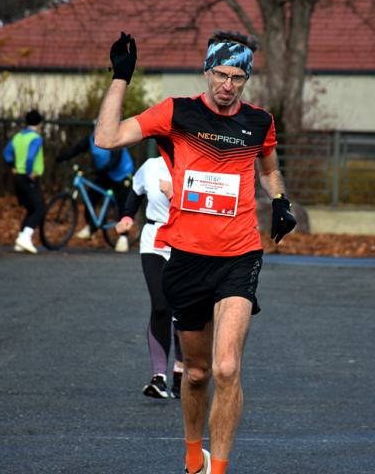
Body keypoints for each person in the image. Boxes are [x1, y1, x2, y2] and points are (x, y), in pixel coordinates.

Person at [96, 30, 296, 474]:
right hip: (186, 257)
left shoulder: (259, 121)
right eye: (220, 75)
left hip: (240, 255)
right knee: (198, 373)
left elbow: (269, 165)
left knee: (227, 368)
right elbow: (107, 138)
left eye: (237, 77)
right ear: (206, 71)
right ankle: (192, 458)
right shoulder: (177, 113)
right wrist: (121, 77)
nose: (227, 85)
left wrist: (279, 200)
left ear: (247, 78)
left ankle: (218, 470)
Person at [116, 157, 184, 399]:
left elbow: (204, 206)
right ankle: (159, 377)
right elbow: (136, 191)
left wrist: (174, 194)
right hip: (154, 240)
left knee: (182, 312)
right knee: (160, 307)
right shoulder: (151, 165)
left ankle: (180, 370)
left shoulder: (199, 163)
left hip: (186, 244)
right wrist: (127, 216)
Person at [55, 121, 134, 252]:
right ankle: (91, 226)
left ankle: (124, 238)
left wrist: (101, 170)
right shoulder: (91, 139)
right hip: (105, 173)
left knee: (123, 204)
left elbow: (115, 161)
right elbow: (77, 148)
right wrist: (62, 157)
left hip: (122, 174)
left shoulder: (115, 140)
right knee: (90, 198)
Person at [3, 110, 47, 253]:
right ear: (40, 123)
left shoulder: (18, 137)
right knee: (40, 208)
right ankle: (25, 237)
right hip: (29, 178)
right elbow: (30, 157)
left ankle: (21, 240)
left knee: (31, 209)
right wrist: (29, 172)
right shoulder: (36, 138)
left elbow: (7, 152)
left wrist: (12, 166)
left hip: (19, 178)